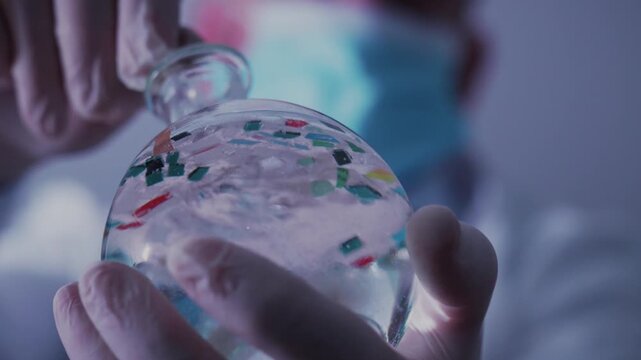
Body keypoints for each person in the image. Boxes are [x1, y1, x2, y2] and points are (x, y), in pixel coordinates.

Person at [0, 0, 497, 359]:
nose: (364, 10)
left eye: (410, 4)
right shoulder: (59, 240)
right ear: (220, 26)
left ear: (468, 65)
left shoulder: (555, 268)